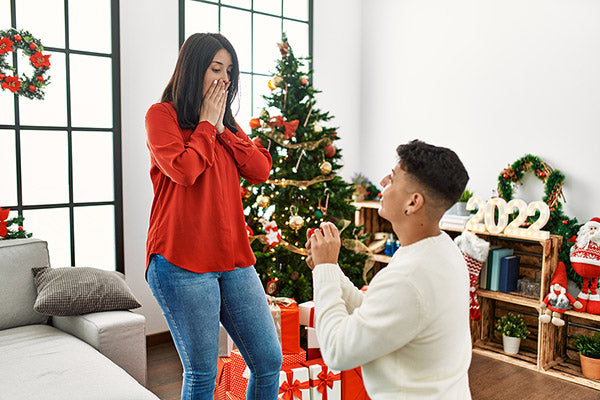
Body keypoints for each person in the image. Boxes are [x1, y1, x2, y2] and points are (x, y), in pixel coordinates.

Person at [145, 33, 282, 400]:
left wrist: (222, 129)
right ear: (192, 71)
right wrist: (206, 126)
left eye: (230, 72)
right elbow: (185, 171)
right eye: (215, 68)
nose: (224, 79)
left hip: (233, 259)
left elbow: (259, 169)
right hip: (180, 262)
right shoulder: (162, 117)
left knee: (269, 362)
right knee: (202, 373)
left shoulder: (228, 127)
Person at [306, 139, 472, 399]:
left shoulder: (408, 278)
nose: (383, 181)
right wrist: (330, 270)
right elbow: (375, 310)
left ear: (413, 203)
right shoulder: (442, 250)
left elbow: (337, 351)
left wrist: (325, 269)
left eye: (393, 178)